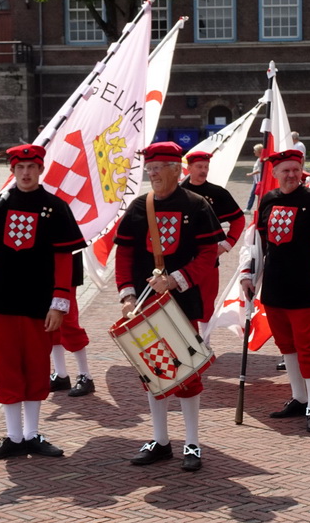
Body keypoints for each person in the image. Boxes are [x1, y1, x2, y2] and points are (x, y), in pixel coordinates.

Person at [0, 144, 85, 460]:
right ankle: (13, 436)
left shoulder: (56, 208)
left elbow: (63, 260)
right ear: (12, 170)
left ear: (41, 170)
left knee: (36, 366)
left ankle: (32, 433)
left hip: (39, 301)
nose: (25, 173)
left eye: (31, 167)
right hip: (2, 298)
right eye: (19, 167)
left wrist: (59, 303)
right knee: (5, 365)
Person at [115, 141, 223, 472]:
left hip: (183, 304)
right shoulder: (137, 208)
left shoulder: (197, 205)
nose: (152, 173)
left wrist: (176, 279)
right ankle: (160, 441)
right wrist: (127, 294)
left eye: (159, 167)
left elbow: (209, 254)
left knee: (186, 374)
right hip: (145, 306)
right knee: (154, 373)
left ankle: (192, 442)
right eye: (150, 167)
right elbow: (124, 255)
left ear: (178, 170)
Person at [241, 149, 310, 433]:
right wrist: (248, 274)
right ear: (274, 174)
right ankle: (298, 398)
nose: (292, 174)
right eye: (285, 170)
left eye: (296, 169)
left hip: (305, 286)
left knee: (309, 347)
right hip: (274, 286)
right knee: (287, 347)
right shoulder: (268, 201)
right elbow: (257, 244)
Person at [180, 149, 245, 323]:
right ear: (189, 168)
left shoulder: (218, 194)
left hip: (208, 260)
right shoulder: (177, 193)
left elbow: (238, 220)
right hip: (180, 260)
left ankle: (204, 342)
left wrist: (226, 245)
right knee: (181, 304)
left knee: (206, 303)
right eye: (199, 166)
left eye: (206, 167)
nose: (203, 170)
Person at [48, 253, 97, 398]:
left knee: (68, 322)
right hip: (44, 263)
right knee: (50, 322)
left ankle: (85, 375)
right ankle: (60, 374)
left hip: (65, 262)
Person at [245, 143, 264, 212]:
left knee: (256, 194)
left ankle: (249, 208)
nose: (254, 152)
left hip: (259, 181)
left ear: (259, 152)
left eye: (255, 151)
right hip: (256, 180)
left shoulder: (261, 160)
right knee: (252, 194)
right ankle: (248, 208)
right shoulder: (259, 159)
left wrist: (251, 174)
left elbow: (259, 170)